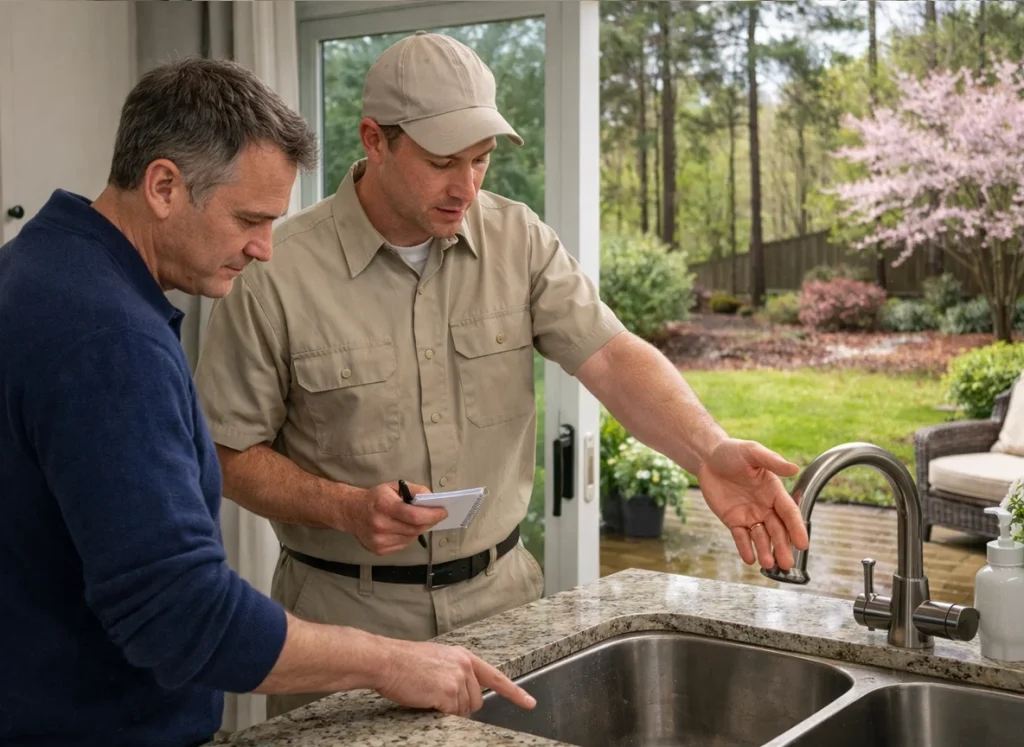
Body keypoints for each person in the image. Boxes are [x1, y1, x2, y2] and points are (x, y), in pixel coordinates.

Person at [194, 32, 809, 719]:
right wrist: (344, 507)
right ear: (374, 139)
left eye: (482, 159)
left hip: (504, 611)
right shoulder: (275, 270)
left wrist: (708, 449)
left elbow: (609, 354)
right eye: (442, 161)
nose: (468, 185)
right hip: (343, 626)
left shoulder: (520, 241)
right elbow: (224, 452)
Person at [0, 57, 536, 747]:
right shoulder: (106, 338)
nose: (264, 248)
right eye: (249, 218)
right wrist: (388, 660)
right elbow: (181, 613)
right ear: (163, 184)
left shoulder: (36, 268)